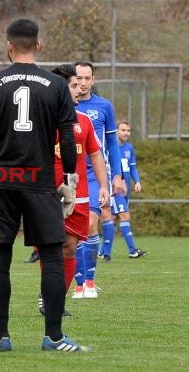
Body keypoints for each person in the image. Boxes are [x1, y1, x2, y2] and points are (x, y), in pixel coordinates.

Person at [0, 18, 90, 352]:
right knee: (53, 258)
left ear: (8, 46)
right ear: (39, 45)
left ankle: (2, 337)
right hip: (40, 181)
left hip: (2, 181)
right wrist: (70, 180)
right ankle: (54, 337)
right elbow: (66, 135)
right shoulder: (56, 85)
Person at [36, 64, 109, 316]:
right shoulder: (41, 120)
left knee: (70, 246)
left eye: (81, 84)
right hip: (45, 194)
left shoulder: (84, 121)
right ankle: (48, 298)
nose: (79, 89)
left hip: (77, 194)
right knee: (49, 247)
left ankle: (55, 298)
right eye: (74, 85)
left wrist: (103, 185)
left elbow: (96, 155)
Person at [72, 61, 126, 299]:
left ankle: (90, 280)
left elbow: (112, 144)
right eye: (78, 78)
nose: (82, 83)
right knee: (70, 232)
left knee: (91, 222)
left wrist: (117, 175)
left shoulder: (103, 106)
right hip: (68, 175)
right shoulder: (61, 106)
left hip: (94, 174)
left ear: (93, 80)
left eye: (87, 78)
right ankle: (79, 283)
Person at [100, 121, 147, 259]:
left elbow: (132, 167)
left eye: (128, 130)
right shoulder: (110, 146)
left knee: (112, 219)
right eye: (123, 130)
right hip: (115, 188)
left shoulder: (129, 148)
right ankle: (132, 250)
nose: (126, 133)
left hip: (125, 189)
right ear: (116, 131)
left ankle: (103, 252)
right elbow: (108, 165)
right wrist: (119, 181)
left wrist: (137, 181)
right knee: (125, 215)